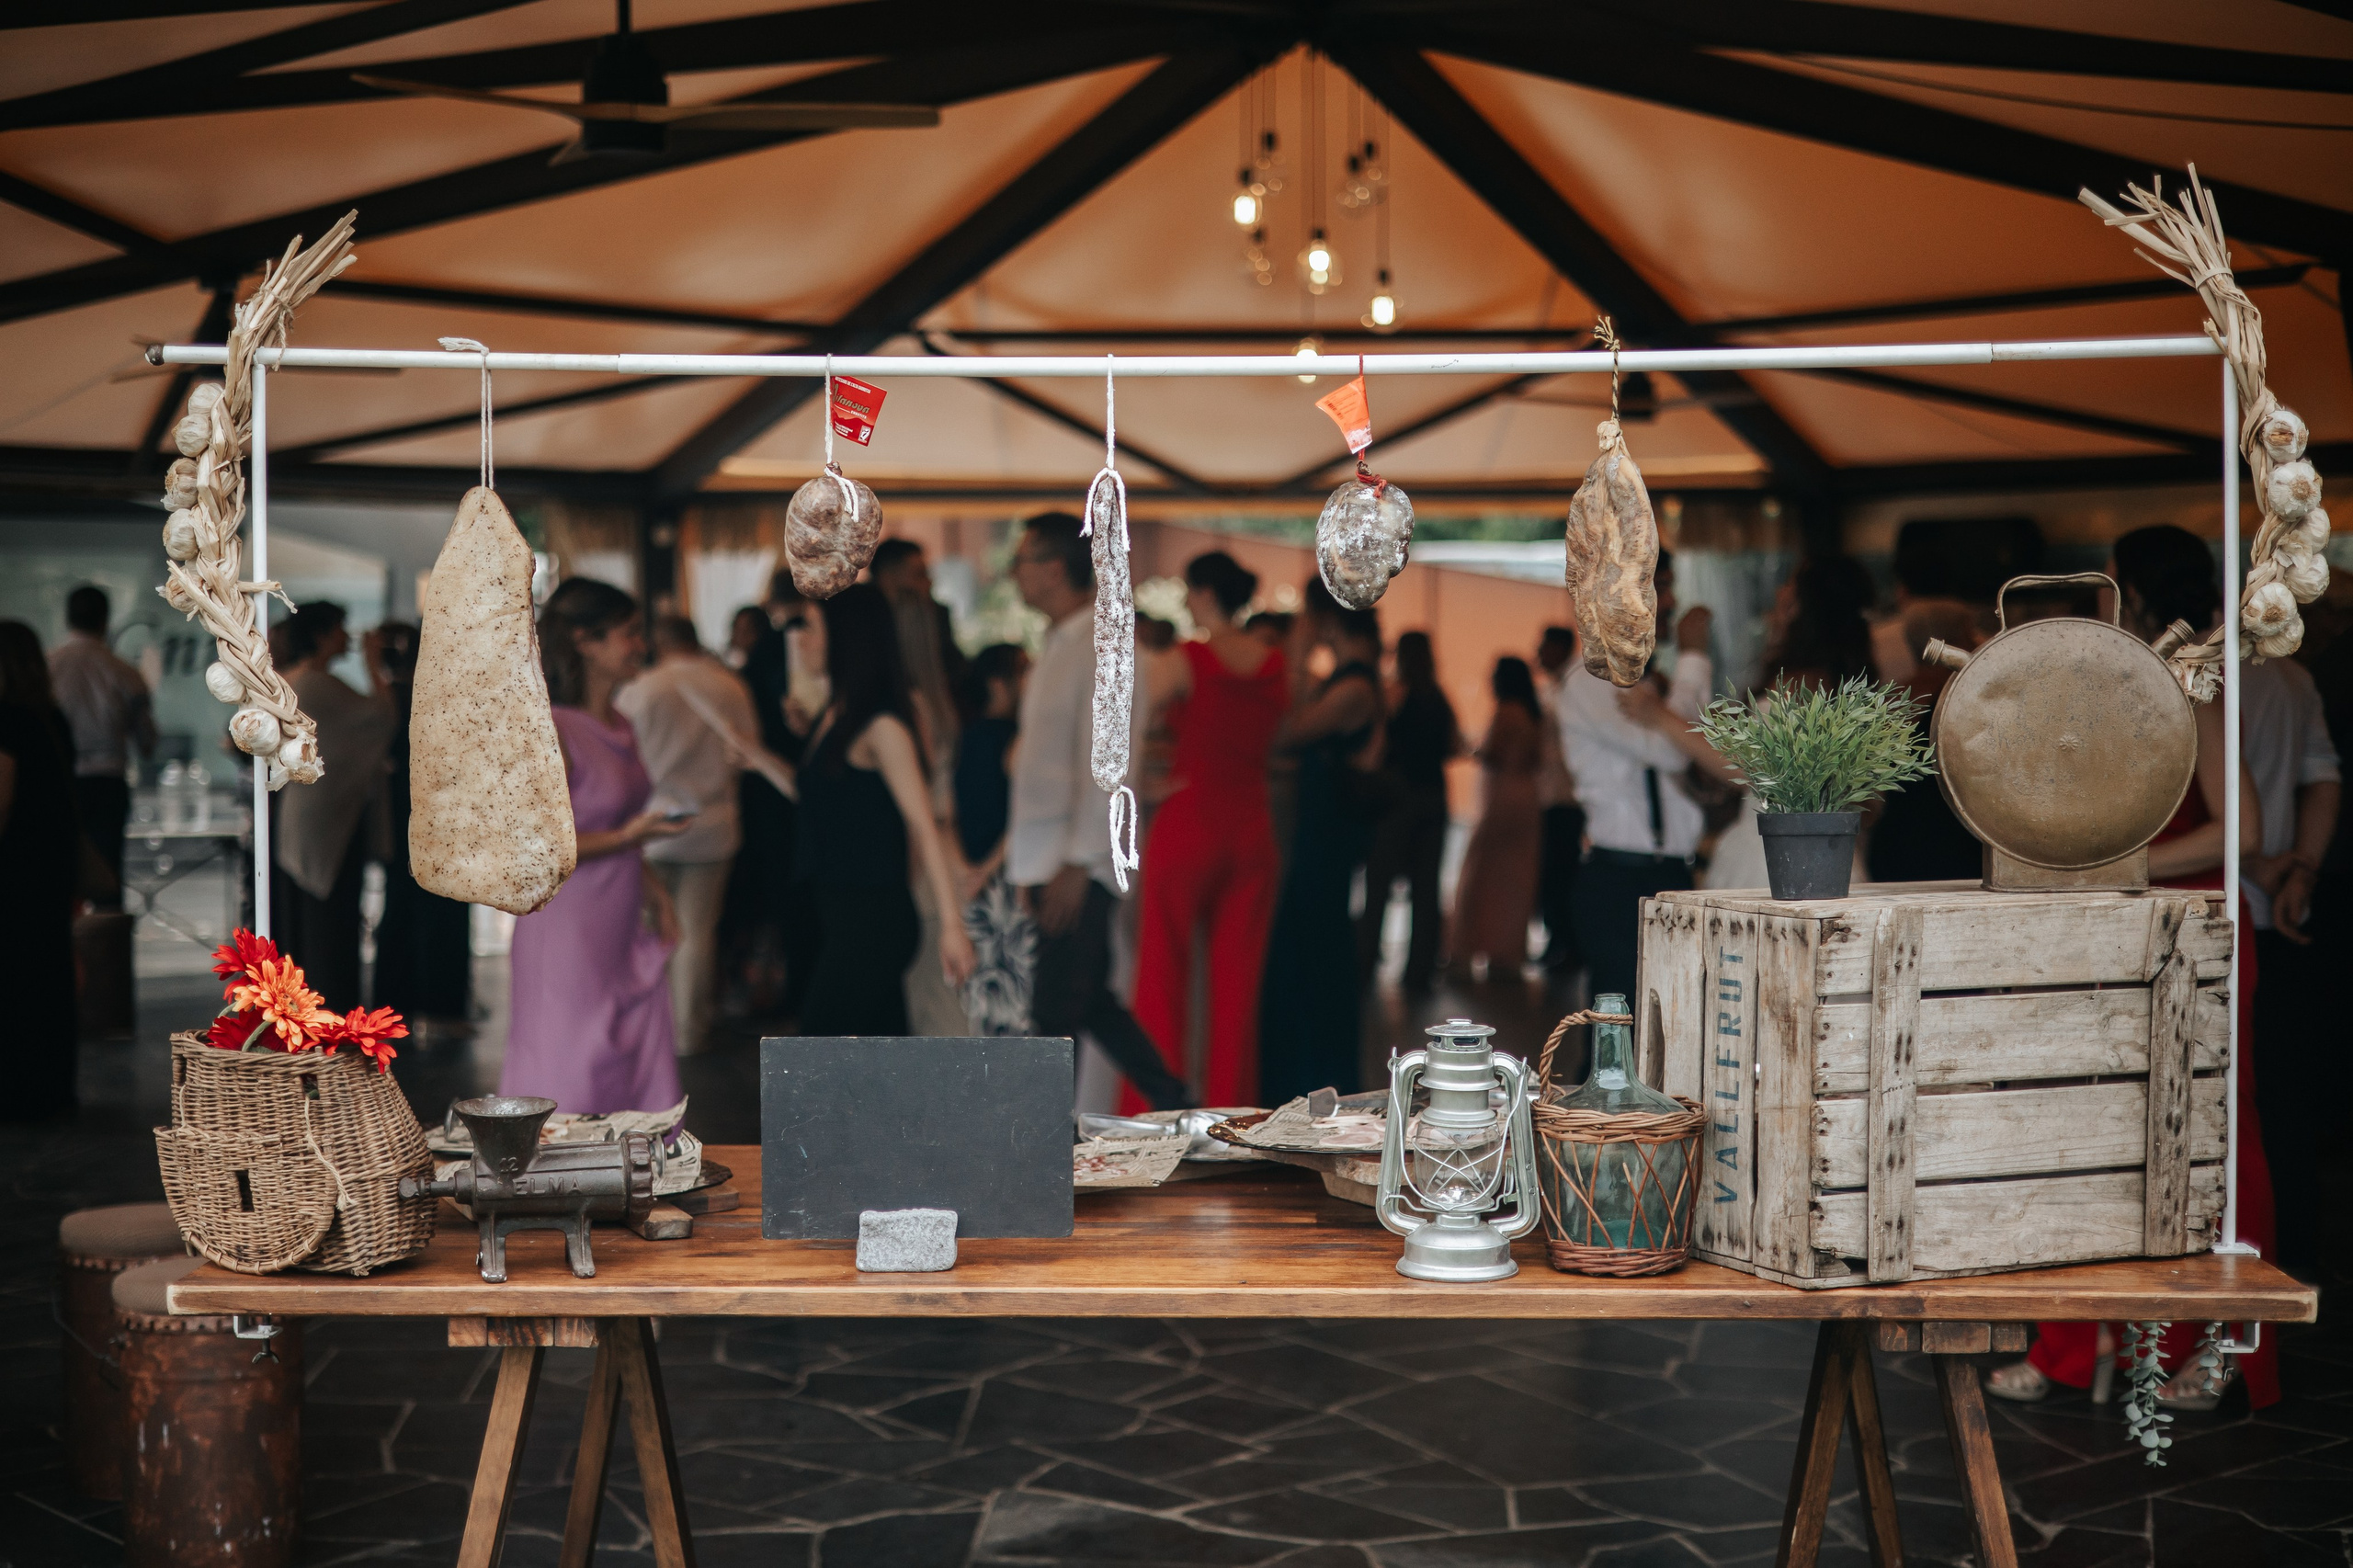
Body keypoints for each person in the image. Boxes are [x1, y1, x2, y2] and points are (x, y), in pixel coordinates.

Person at [1993, 526, 2279, 1412]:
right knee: (2101, 1131)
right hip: (2122, 922)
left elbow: (2243, 829)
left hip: (2192, 926)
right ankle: (2081, 1344)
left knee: (2215, 1134)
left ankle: (2225, 1343)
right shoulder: (2118, 679)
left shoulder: (2192, 680)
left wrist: (2120, 865)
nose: (2100, 602)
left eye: (2110, 585)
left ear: (2136, 593)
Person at [1006, 513, 1190, 1108]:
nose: (1013, 574)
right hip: (1054, 855)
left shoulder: (1102, 642)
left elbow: (1109, 764)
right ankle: (1174, 1101)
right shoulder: (1063, 642)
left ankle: (1050, 1134)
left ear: (1054, 568)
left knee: (1057, 1011)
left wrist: (1080, 861)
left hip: (1078, 859)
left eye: (1021, 560)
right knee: (1085, 1002)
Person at [500, 579, 686, 1116]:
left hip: (620, 913)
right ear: (584, 641)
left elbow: (624, 823)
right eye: (630, 633)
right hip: (567, 923)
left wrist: (656, 893)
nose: (641, 646)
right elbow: (532, 846)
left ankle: (629, 1159)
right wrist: (629, 838)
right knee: (570, 1057)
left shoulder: (621, 723)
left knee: (626, 1055)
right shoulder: (552, 728)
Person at [1132, 551, 1288, 1108]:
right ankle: (1233, 1115)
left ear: (1203, 594)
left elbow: (1127, 721)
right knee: (1237, 992)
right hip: (1251, 828)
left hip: (1189, 821)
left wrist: (1141, 786)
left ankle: (1154, 1112)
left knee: (1162, 978)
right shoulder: (1275, 664)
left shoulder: (1185, 659)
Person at [789, 583, 975, 1035]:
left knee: (818, 1050)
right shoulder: (835, 714)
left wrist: (952, 925)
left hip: (873, 918)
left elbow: (923, 825)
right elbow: (822, 800)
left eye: (811, 628)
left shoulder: (882, 725)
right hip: (840, 911)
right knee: (875, 1054)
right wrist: (753, 755)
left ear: (845, 637)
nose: (800, 641)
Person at [1559, 551, 1713, 1003]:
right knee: (1620, 1020)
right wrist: (1694, 659)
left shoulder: (1650, 682)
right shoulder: (1591, 677)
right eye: (1661, 587)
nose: (1673, 603)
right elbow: (1673, 752)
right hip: (1621, 880)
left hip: (1668, 874)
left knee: (1673, 1014)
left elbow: (1694, 747)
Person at [1259, 579, 1385, 1105]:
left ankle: (1320, 1081)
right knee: (1307, 958)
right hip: (1320, 838)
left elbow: (1285, 731)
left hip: (1327, 843)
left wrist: (1296, 653)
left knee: (1315, 960)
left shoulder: (1354, 687)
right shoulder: (1347, 680)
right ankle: (1307, 1079)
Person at [616, 616, 761, 1055]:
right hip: (712, 823)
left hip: (651, 823)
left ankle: (650, 1027)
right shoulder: (730, 685)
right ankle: (688, 1032)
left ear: (658, 643)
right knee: (698, 931)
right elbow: (748, 751)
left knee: (649, 929)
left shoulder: (642, 689)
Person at [272, 602, 397, 1013]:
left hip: (304, 813)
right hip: (326, 820)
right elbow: (382, 718)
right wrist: (373, 663)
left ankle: (306, 1011)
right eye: (341, 628)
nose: (349, 636)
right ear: (323, 635)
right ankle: (330, 1013)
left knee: (308, 920)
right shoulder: (317, 684)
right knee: (330, 923)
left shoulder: (296, 680)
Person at [870, 539, 972, 1037]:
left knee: (933, 1004)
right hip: (946, 856)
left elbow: (924, 808)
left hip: (922, 864)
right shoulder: (938, 699)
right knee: (944, 1003)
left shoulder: (909, 710)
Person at [369, 620, 472, 1032]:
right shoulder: (443, 697)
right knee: (442, 908)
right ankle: (442, 1006)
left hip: (405, 816)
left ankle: (397, 1005)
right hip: (441, 817)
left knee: (402, 909)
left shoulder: (394, 697)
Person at [1, 621, 80, 1118]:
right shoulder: (51, 718)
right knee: (48, 978)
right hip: (50, 868)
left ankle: (17, 1092)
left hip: (13, 873)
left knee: (15, 982)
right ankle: (51, 1089)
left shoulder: (6, 721)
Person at [727, 571, 813, 1019]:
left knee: (778, 894)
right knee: (790, 895)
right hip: (785, 786)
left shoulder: (766, 657)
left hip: (770, 790)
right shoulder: (789, 650)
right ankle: (790, 991)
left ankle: (785, 993)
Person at [1358, 631, 1457, 991]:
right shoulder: (1440, 698)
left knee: (1379, 884)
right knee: (1426, 890)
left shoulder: (1394, 693)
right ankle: (1419, 973)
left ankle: (1365, 964)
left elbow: (1377, 743)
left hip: (1396, 799)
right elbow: (1451, 746)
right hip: (1433, 797)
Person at [49, 585, 154, 905]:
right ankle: (108, 936)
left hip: (59, 781)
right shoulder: (124, 672)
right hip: (108, 781)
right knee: (107, 876)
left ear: (68, 618)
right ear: (105, 621)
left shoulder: (47, 666)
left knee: (57, 872)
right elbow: (146, 741)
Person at [1865, 601, 1984, 885]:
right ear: (1952, 643)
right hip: (1956, 846)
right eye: (1970, 634)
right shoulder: (1966, 699)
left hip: (1895, 845)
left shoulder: (1888, 699)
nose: (1977, 642)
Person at [1449, 656, 1547, 982]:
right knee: (1516, 880)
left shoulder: (1507, 712)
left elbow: (1492, 753)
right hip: (1527, 796)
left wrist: (1467, 747)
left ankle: (1468, 948)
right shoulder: (1533, 714)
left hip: (1502, 796)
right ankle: (1506, 951)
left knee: (1482, 874)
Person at [954, 643, 1034, 1036]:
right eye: (1024, 672)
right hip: (1005, 881)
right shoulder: (1017, 740)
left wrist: (967, 870)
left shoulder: (966, 739)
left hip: (973, 882)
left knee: (984, 995)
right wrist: (987, 870)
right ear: (999, 684)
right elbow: (1024, 815)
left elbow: (948, 815)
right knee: (1016, 996)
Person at [1532, 626, 1585, 976]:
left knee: (1561, 873)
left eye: (1543, 646)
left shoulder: (1572, 688)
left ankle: (1567, 945)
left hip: (1566, 797)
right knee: (1553, 874)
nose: (1537, 652)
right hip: (1554, 794)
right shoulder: (1554, 687)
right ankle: (1558, 941)